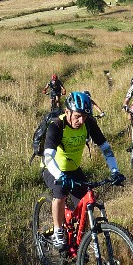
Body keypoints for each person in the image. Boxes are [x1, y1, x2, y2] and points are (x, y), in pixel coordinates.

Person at [41, 91, 125, 249]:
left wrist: (115, 171)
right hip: (53, 168)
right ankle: (58, 231)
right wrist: (60, 175)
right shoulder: (57, 126)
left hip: (73, 169)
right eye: (77, 116)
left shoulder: (89, 123)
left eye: (85, 117)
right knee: (60, 193)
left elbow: (106, 148)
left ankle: (83, 239)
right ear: (67, 112)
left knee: (86, 202)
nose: (81, 120)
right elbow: (48, 157)